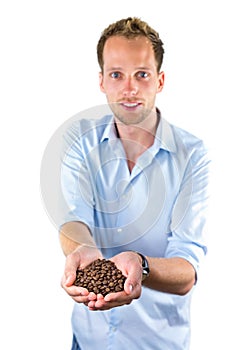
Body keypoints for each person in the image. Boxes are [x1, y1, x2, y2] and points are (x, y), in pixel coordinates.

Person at [59, 17, 210, 350]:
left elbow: (187, 268)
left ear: (160, 80)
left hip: (157, 343)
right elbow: (74, 218)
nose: (129, 88)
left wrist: (139, 265)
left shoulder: (193, 156)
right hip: (87, 340)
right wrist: (83, 249)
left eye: (141, 74)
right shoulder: (81, 144)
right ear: (101, 81)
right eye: (117, 75)